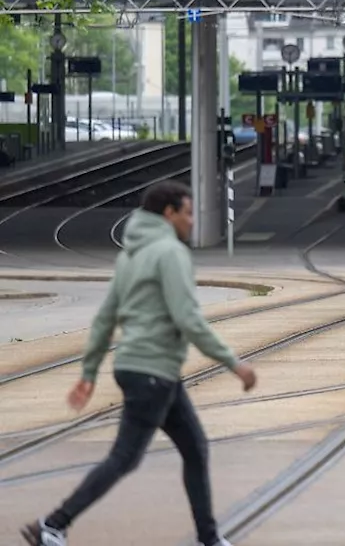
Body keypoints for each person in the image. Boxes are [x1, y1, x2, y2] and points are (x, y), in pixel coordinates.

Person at [22, 181, 256, 546]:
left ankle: (209, 538)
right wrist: (234, 363)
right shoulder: (170, 253)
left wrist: (89, 373)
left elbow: (105, 318)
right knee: (125, 457)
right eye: (188, 213)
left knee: (195, 448)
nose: (192, 221)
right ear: (169, 213)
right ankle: (54, 523)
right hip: (152, 371)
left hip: (145, 369)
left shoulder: (130, 254)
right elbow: (188, 318)